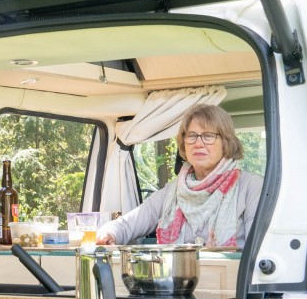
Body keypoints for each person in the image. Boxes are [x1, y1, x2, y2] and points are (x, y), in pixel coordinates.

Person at [97, 104, 263, 249]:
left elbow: (259, 249)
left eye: (208, 136)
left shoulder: (251, 187)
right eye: (191, 135)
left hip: (230, 282)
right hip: (178, 282)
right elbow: (128, 224)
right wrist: (109, 232)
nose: (198, 143)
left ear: (227, 143)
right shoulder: (174, 190)